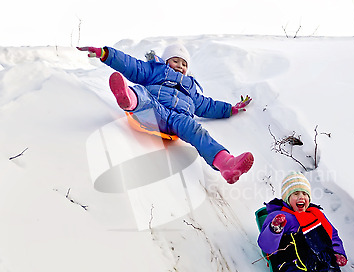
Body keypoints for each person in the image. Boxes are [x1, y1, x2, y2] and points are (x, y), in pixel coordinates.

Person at [77, 42, 253, 184]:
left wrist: (230, 109)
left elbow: (207, 105)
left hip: (179, 120)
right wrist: (106, 54)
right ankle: (128, 98)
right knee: (143, 94)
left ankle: (226, 164)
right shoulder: (155, 70)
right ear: (166, 60)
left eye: (184, 64)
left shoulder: (191, 88)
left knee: (197, 131)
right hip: (156, 110)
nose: (180, 66)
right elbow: (132, 65)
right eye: (176, 61)